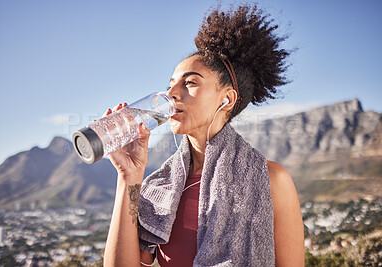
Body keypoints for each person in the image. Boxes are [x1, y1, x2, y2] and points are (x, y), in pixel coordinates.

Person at [103, 4, 304, 267]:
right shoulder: (159, 188)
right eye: (170, 84)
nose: (171, 94)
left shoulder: (272, 180)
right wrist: (128, 177)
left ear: (227, 98)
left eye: (190, 82)